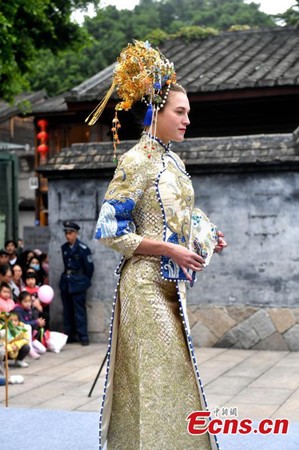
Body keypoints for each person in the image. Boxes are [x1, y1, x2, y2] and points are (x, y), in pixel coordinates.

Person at [91, 41, 227, 450]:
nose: (187, 120)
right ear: (156, 113)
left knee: (172, 376)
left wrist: (207, 235)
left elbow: (184, 215)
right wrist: (170, 250)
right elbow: (110, 229)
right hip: (143, 286)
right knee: (161, 375)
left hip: (171, 287)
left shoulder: (174, 163)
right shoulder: (136, 161)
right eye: (180, 112)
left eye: (188, 113)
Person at [59, 221, 94, 345]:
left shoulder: (83, 249)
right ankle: (69, 335)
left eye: (70, 233)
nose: (68, 235)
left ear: (76, 233)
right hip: (67, 283)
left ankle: (83, 336)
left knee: (79, 311)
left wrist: (84, 281)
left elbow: (89, 268)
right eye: (66, 233)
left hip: (78, 283)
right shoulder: (64, 248)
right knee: (67, 310)